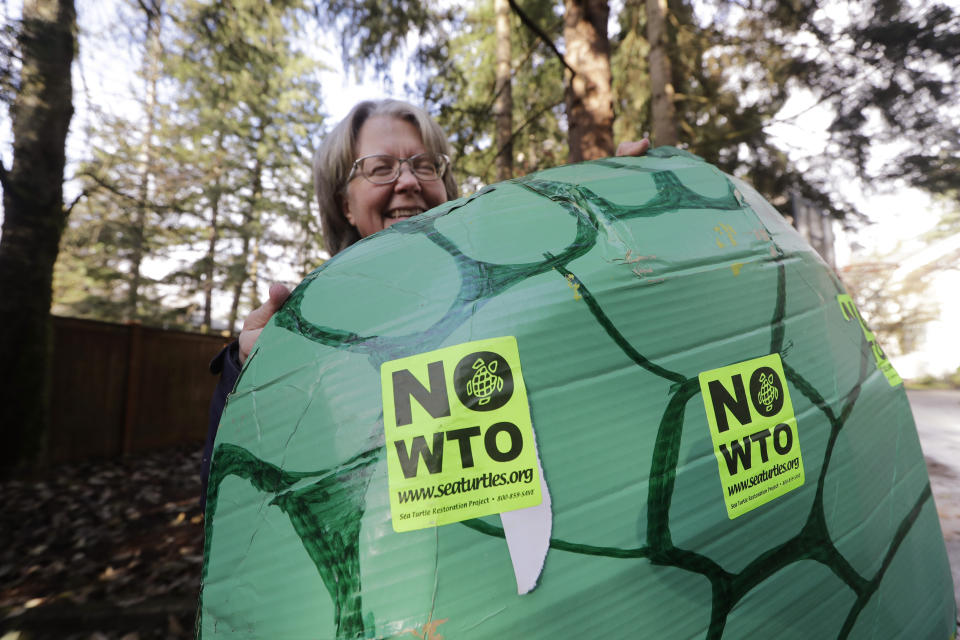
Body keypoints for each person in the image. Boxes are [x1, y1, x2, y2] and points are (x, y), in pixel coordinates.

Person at [201, 98, 649, 506]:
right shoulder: (310, 332)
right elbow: (235, 500)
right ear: (346, 206)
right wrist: (251, 377)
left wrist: (611, 201)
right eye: (380, 168)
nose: (410, 181)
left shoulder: (509, 284)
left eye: (425, 165)